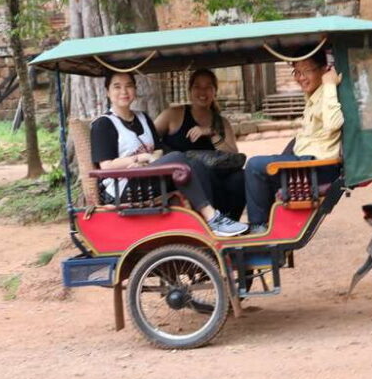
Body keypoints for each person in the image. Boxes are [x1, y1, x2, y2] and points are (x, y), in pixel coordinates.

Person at [90, 71, 248, 237]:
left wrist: (149, 161)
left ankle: (210, 225)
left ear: (135, 90)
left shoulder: (142, 117)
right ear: (107, 92)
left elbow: (157, 150)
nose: (124, 91)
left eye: (129, 86)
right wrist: (139, 158)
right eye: (117, 87)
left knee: (195, 164)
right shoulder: (103, 124)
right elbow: (106, 165)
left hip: (146, 174)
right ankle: (211, 217)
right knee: (178, 159)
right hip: (122, 187)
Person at [244, 46, 343, 234]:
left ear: (323, 70)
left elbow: (333, 124)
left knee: (254, 167)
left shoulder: (326, 93)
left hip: (317, 168)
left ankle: (258, 228)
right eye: (296, 72)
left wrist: (329, 84)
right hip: (306, 164)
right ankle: (245, 224)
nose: (300, 77)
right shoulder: (315, 95)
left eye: (306, 71)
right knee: (244, 175)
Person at [154, 68, 245, 220]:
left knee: (240, 177)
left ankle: (230, 222)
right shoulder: (173, 114)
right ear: (189, 90)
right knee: (197, 166)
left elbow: (234, 156)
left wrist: (212, 133)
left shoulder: (221, 123)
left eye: (208, 87)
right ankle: (210, 222)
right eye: (197, 86)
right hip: (182, 180)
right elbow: (150, 139)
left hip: (214, 180)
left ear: (215, 91)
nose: (203, 92)